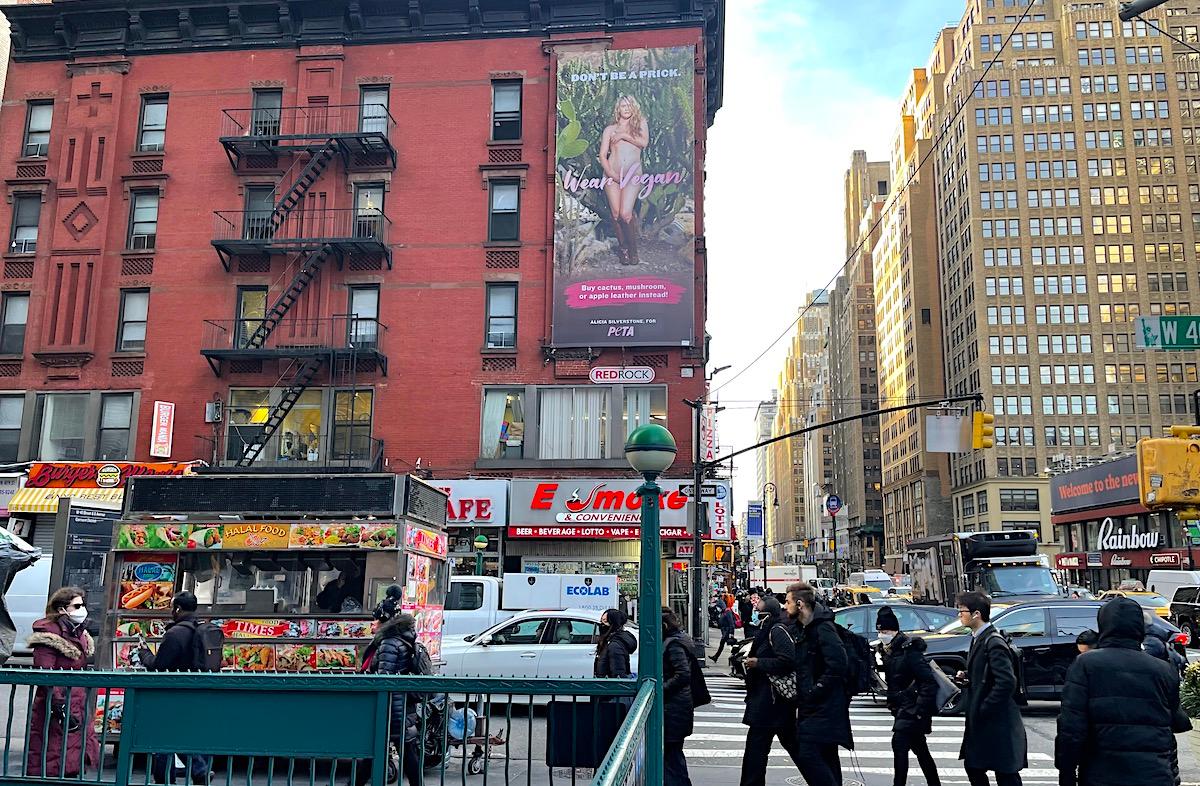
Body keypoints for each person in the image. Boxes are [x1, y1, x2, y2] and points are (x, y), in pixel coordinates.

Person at [1055, 596, 1192, 786]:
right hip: (1154, 773)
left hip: (1102, 772)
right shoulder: (1163, 669)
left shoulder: (1085, 665)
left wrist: (1067, 773)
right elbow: (1174, 722)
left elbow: (1071, 728)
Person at [139, 592, 215, 784]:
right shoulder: (203, 628)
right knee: (191, 734)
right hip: (198, 692)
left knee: (165, 736)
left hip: (173, 693)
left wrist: (144, 653)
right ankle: (200, 769)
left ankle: (186, 773)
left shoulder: (175, 634)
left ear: (178, 609)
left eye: (173, 607)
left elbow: (159, 666)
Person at [26, 587, 100, 778]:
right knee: (52, 755)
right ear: (61, 609)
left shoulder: (79, 633)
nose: (82, 609)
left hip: (76, 702)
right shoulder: (50, 635)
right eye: (77, 605)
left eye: (83, 605)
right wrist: (58, 705)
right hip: (59, 704)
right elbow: (45, 672)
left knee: (73, 754)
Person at [955, 591, 1027, 786]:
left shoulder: (993, 642)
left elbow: (1006, 682)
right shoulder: (978, 638)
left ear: (976, 614)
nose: (959, 615)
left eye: (962, 611)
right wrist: (968, 677)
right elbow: (987, 675)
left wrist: (986, 707)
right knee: (975, 766)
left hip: (996, 720)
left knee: (1005, 773)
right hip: (984, 719)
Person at [787, 584, 852, 786]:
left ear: (800, 604)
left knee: (808, 754)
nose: (785, 606)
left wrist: (815, 690)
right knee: (827, 755)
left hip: (824, 706)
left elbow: (839, 664)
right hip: (815, 705)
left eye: (788, 602)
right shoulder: (804, 628)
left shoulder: (823, 628)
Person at [738, 595, 805, 786]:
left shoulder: (776, 630)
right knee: (786, 748)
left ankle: (823, 778)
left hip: (771, 703)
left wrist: (758, 663)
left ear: (767, 614)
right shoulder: (769, 629)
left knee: (757, 751)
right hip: (770, 703)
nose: (756, 614)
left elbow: (787, 660)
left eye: (758, 610)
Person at [358, 596, 424, 786]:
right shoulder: (403, 638)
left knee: (379, 750)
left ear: (384, 621)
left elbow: (384, 678)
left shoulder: (388, 643)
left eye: (376, 619)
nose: (373, 623)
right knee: (405, 753)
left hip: (391, 707)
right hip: (402, 705)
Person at [877, 605, 941, 786]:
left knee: (899, 746)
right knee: (921, 750)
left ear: (896, 630)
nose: (882, 634)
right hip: (902, 709)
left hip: (912, 710)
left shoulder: (909, 650)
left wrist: (919, 709)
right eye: (880, 631)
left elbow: (928, 681)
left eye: (886, 630)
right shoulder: (887, 651)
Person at [598, 94, 649, 265]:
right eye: (622, 106)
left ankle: (633, 250)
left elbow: (643, 143)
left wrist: (623, 136)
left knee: (626, 214)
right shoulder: (609, 129)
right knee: (615, 214)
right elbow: (603, 155)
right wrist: (611, 174)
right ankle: (623, 249)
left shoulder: (640, 123)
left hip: (633, 175)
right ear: (617, 109)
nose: (626, 109)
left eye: (629, 106)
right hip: (612, 175)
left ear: (633, 107)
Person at [662, 608, 696, 786]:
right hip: (678, 706)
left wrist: (662, 689)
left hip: (674, 708)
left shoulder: (674, 644)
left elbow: (682, 674)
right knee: (673, 756)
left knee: (672, 756)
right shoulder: (678, 640)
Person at [594, 608, 636, 679]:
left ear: (614, 623)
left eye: (605, 621)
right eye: (601, 621)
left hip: (608, 686)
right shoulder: (609, 641)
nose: (602, 624)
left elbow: (618, 674)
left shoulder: (614, 645)